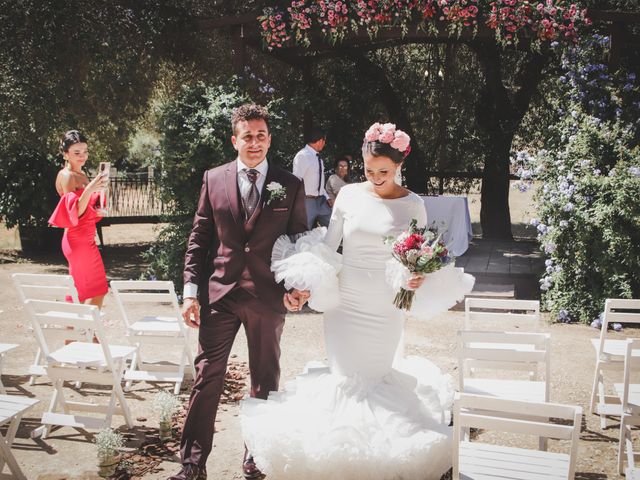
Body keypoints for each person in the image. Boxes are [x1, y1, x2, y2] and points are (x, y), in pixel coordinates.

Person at [241, 122, 474, 480]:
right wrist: (305, 285)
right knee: (344, 377)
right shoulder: (348, 196)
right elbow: (328, 246)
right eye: (369, 170)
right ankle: (337, 457)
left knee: (375, 377)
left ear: (399, 165)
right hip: (345, 304)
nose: (376, 177)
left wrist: (417, 276)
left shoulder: (414, 204)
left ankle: (378, 461)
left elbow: (418, 254)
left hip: (385, 306)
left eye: (384, 171)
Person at [169, 104, 308, 480]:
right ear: (235, 140)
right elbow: (199, 238)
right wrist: (190, 292)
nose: (255, 142)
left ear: (269, 139)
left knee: (265, 379)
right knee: (206, 377)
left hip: (268, 296)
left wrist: (298, 285)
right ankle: (193, 465)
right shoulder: (213, 179)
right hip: (220, 295)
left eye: (261, 135)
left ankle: (255, 459)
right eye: (247, 136)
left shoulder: (289, 184)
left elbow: (299, 242)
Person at [48, 130, 109, 308]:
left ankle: (83, 330)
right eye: (76, 153)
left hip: (87, 238)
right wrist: (90, 188)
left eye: (85, 152)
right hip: (77, 239)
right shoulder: (67, 176)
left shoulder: (82, 175)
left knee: (90, 289)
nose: (82, 156)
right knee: (89, 290)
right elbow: (73, 212)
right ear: (65, 154)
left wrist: (98, 208)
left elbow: (86, 209)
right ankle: (78, 332)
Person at [292, 127, 331, 229]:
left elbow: (319, 181)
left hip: (321, 201)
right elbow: (296, 181)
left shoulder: (318, 157)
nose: (324, 144)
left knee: (333, 225)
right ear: (320, 141)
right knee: (304, 232)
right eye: (324, 141)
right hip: (307, 201)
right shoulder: (302, 156)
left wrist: (327, 197)